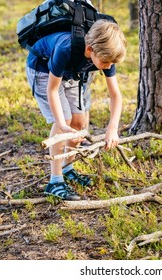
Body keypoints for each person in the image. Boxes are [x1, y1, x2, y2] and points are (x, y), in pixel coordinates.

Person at [25, 19, 127, 200]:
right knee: (65, 120)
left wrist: (112, 128)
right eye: (106, 62)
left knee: (79, 122)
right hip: (42, 69)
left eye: (112, 63)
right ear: (90, 50)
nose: (109, 67)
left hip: (72, 72)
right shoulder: (66, 48)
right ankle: (54, 181)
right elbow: (52, 90)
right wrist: (63, 125)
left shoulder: (105, 55)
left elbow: (116, 95)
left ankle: (67, 168)